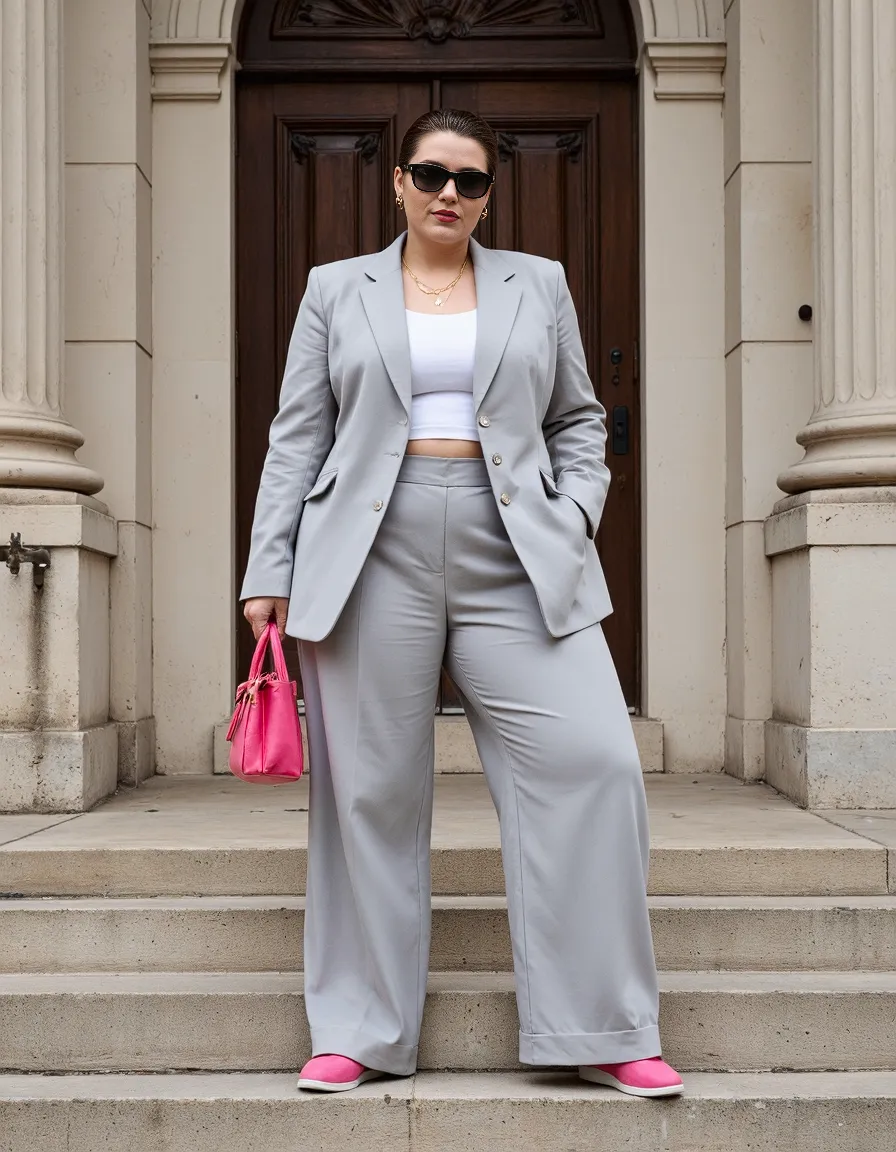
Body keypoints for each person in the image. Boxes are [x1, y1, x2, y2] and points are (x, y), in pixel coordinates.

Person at [241, 108, 683, 1099]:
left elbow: (577, 418)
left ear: (488, 194)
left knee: (594, 764)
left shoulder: (540, 286)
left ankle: (601, 1024)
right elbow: (296, 439)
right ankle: (359, 1025)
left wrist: (571, 516)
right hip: (367, 550)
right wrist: (268, 574)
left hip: (516, 547)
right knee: (368, 797)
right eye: (431, 173)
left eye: (470, 179)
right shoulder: (333, 291)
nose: (450, 192)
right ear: (394, 182)